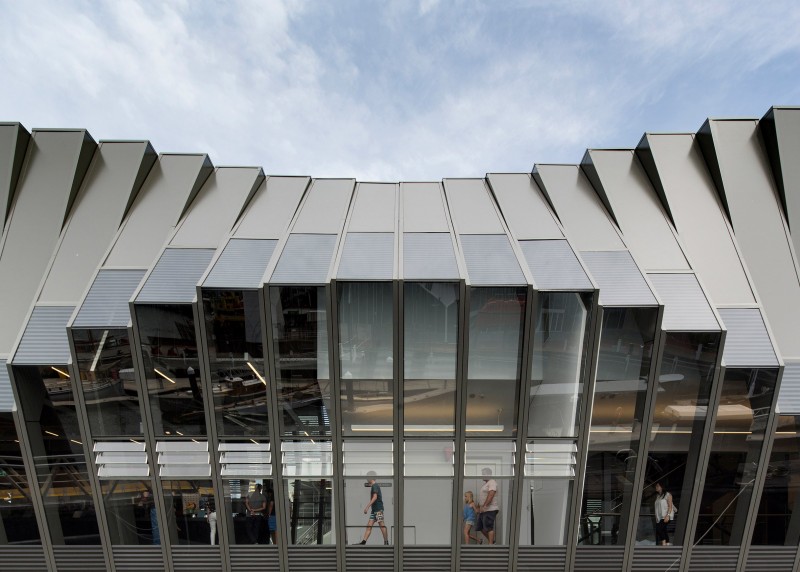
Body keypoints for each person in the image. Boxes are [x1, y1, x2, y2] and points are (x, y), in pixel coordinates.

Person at [356, 471, 389, 545]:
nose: (367, 479)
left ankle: (386, 542)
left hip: (378, 510)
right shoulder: (374, 486)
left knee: (382, 525)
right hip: (374, 510)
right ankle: (364, 541)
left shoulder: (375, 486)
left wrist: (367, 507)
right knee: (369, 526)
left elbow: (375, 497)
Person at [476, 467, 499, 545]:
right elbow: (483, 496)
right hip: (484, 509)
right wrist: (479, 508)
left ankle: (490, 546)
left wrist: (485, 505)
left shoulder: (492, 482)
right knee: (480, 527)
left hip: (490, 509)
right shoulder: (486, 484)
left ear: (489, 474)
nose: (482, 475)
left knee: (489, 527)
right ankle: (492, 542)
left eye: (484, 474)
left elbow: (491, 494)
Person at [653, 481, 674, 546]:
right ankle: (667, 543)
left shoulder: (668, 495)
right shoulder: (658, 496)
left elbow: (670, 506)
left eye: (657, 486)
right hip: (659, 517)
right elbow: (657, 507)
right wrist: (656, 516)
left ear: (661, 487)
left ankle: (663, 542)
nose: (656, 487)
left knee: (659, 528)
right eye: (656, 486)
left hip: (666, 516)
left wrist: (667, 516)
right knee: (663, 529)